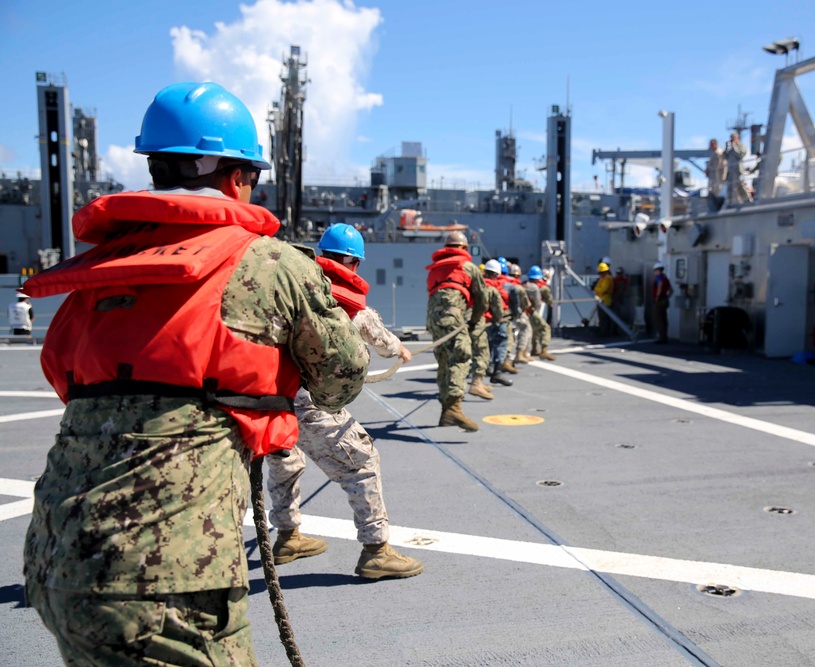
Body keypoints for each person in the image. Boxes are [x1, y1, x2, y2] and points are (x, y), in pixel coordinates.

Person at [19, 82, 370, 666]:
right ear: (238, 178)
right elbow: (341, 379)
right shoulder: (273, 263)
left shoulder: (104, 268)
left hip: (57, 561)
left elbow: (63, 374)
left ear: (155, 169)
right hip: (167, 575)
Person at [266, 223, 422, 579]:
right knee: (363, 461)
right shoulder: (345, 302)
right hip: (308, 402)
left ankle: (288, 536)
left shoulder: (296, 288)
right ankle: (376, 550)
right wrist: (400, 350)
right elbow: (382, 344)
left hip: (270, 396)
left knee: (286, 459)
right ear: (355, 263)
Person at [426, 230, 487, 432]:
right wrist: (473, 321)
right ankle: (454, 408)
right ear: (464, 248)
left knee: (444, 361)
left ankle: (446, 412)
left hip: (433, 319)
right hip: (454, 317)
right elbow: (482, 299)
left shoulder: (434, 270)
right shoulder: (469, 267)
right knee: (461, 356)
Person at [481, 259, 513, 389]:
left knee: (485, 346)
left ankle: (487, 369)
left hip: (482, 321)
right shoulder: (496, 288)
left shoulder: (479, 285)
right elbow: (498, 306)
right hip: (495, 320)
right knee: (501, 342)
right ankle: (497, 372)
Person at [524, 265, 557, 360]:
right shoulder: (543, 288)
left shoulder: (525, 285)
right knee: (545, 328)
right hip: (532, 311)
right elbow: (549, 301)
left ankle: (534, 348)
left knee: (534, 329)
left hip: (525, 311)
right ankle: (544, 351)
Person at [723, 132, 753, 206]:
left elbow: (740, 154)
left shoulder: (741, 146)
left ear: (737, 138)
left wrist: (734, 146)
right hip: (730, 170)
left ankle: (747, 200)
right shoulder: (730, 149)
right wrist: (727, 147)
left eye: (733, 138)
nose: (731, 140)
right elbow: (725, 156)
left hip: (738, 170)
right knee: (730, 186)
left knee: (740, 185)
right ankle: (730, 201)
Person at [652, 261, 674, 344]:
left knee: (658, 319)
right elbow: (671, 290)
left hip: (660, 301)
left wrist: (658, 296)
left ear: (657, 270)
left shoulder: (659, 277)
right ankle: (664, 336)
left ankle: (661, 338)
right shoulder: (666, 278)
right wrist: (667, 297)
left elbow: (660, 284)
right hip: (665, 300)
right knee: (664, 319)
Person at [593, 262, 614, 337]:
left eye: (601, 272)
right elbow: (596, 289)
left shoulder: (607, 279)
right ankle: (603, 330)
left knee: (604, 317)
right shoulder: (603, 279)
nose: (600, 274)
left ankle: (605, 332)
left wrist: (597, 291)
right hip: (601, 299)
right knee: (601, 317)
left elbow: (602, 289)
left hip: (606, 300)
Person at [706, 138, 727, 211]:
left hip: (717, 175)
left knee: (716, 189)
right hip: (715, 174)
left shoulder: (717, 153)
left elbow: (718, 165)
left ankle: (716, 202)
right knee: (715, 189)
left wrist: (709, 169)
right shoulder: (716, 152)